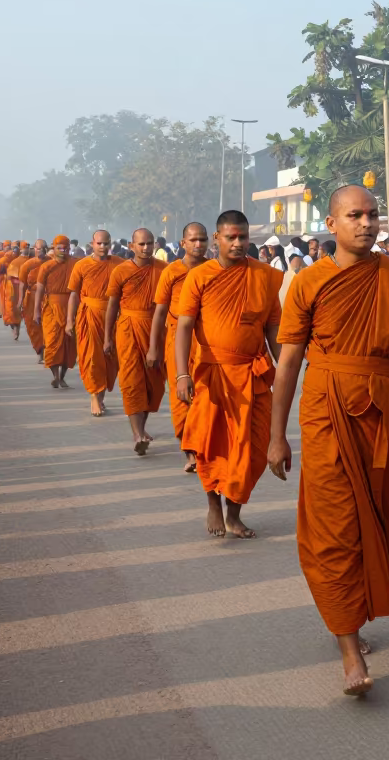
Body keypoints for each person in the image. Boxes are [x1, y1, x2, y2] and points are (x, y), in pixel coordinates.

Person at [267, 186, 389, 697]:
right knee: (336, 526)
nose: (365, 224)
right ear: (331, 222)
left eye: (372, 215)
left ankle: (355, 611)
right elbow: (289, 364)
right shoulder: (308, 282)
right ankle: (349, 649)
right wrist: (277, 435)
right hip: (326, 411)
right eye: (354, 215)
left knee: (388, 520)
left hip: (385, 412)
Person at [176, 210, 282, 539]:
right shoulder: (200, 276)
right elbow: (184, 327)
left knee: (254, 446)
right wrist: (182, 374)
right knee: (211, 444)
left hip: (253, 372)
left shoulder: (264, 275)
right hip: (212, 373)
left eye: (243, 237)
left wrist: (286, 373)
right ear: (217, 240)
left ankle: (234, 511)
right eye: (231, 238)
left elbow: (273, 327)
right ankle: (212, 502)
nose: (238, 243)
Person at [146, 223, 209, 471]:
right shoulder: (171, 271)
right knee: (180, 393)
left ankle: (203, 446)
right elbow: (160, 312)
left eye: (202, 239)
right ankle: (190, 451)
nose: (198, 244)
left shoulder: (214, 269)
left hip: (206, 340)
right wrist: (154, 347)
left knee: (205, 395)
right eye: (193, 240)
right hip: (177, 339)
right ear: (183, 243)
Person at [105, 229, 165, 453]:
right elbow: (112, 306)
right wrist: (107, 338)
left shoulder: (163, 270)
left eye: (150, 243)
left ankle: (142, 427)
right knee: (131, 381)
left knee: (153, 384)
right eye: (141, 244)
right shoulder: (121, 271)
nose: (146, 248)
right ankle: (137, 433)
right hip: (128, 328)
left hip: (155, 329)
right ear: (132, 246)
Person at [67, 231, 122, 417]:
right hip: (89, 314)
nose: (103, 247)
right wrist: (69, 321)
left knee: (109, 360)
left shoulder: (120, 264)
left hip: (113, 316)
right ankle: (94, 397)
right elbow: (74, 294)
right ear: (92, 243)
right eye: (99, 243)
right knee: (91, 358)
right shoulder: (81, 265)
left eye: (106, 243)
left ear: (110, 244)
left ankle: (101, 397)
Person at [34, 237, 78, 388]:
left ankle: (63, 376)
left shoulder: (76, 264)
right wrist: (36, 312)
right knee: (52, 342)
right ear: (54, 248)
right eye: (60, 248)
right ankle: (55, 376)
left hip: (72, 307)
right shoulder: (47, 266)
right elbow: (40, 289)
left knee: (69, 344)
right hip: (51, 308)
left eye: (65, 248)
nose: (63, 251)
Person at [17, 240, 50, 362]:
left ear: (46, 249)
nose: (39, 251)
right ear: (33, 249)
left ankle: (48, 351)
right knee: (33, 326)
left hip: (47, 296)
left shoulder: (51, 262)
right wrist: (20, 301)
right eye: (37, 248)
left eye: (41, 249)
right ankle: (40, 351)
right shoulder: (28, 264)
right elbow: (22, 284)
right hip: (31, 297)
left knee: (47, 324)